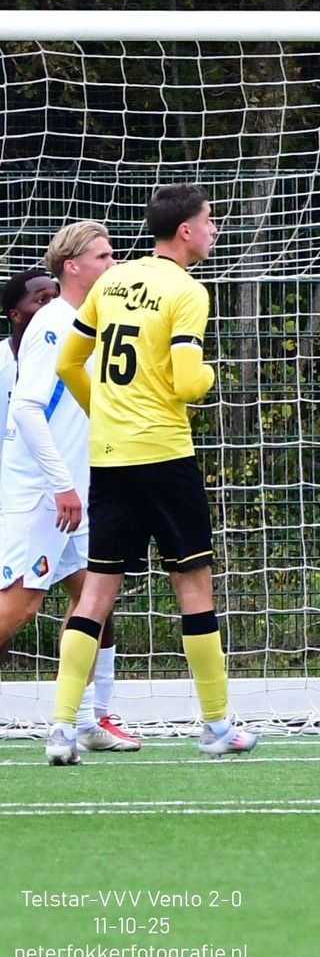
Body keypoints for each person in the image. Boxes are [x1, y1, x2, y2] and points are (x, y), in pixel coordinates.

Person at [45, 184, 258, 764]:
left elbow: (69, 362)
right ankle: (216, 726)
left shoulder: (112, 282)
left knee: (96, 592)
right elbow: (189, 383)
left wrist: (102, 413)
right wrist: (210, 375)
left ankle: (61, 729)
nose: (214, 230)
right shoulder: (187, 291)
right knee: (193, 587)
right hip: (164, 457)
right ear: (186, 231)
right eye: (210, 221)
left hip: (110, 457)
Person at [2, 228, 141, 751]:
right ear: (72, 266)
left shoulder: (91, 321)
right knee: (18, 607)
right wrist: (61, 485)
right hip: (43, 494)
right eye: (103, 256)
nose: (113, 263)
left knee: (93, 597)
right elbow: (26, 408)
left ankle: (85, 720)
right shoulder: (54, 322)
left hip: (78, 493)